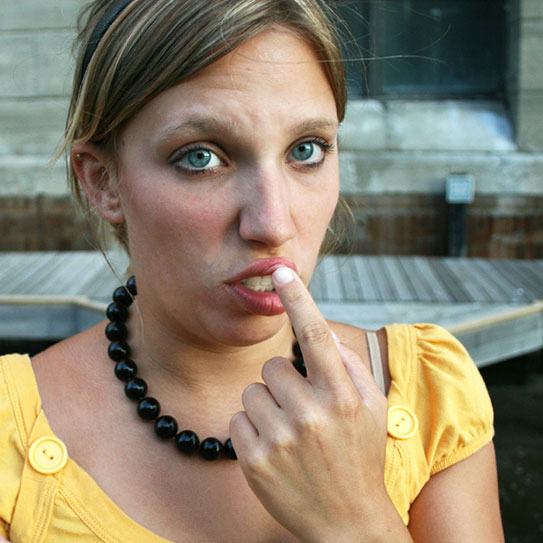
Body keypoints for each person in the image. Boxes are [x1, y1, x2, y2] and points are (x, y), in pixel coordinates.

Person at [0, 1, 504, 541]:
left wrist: (357, 518)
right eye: (201, 157)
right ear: (103, 182)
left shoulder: (428, 396)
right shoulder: (11, 442)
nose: (272, 223)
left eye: (306, 150)